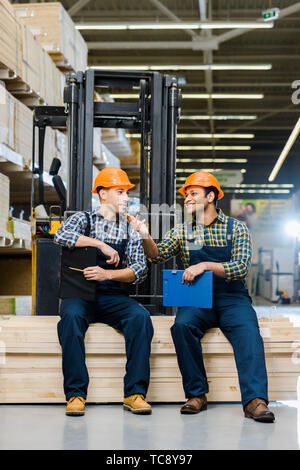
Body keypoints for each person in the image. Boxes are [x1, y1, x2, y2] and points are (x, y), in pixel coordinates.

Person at [128, 171, 274, 423]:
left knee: (249, 332)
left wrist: (204, 265)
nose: (187, 199)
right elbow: (155, 255)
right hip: (197, 298)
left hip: (232, 297)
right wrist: (143, 234)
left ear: (211, 196)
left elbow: (240, 267)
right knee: (182, 326)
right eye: (186, 195)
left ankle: (254, 401)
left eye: (193, 193)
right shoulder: (183, 231)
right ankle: (196, 394)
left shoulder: (237, 228)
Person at [54, 167, 153, 416]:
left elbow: (140, 270)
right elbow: (60, 235)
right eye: (120, 192)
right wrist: (100, 244)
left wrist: (108, 274)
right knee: (71, 318)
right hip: (79, 293)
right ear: (102, 194)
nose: (126, 198)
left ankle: (135, 393)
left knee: (140, 318)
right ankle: (76, 394)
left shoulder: (130, 228)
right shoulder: (83, 219)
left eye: (127, 193)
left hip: (112, 295)